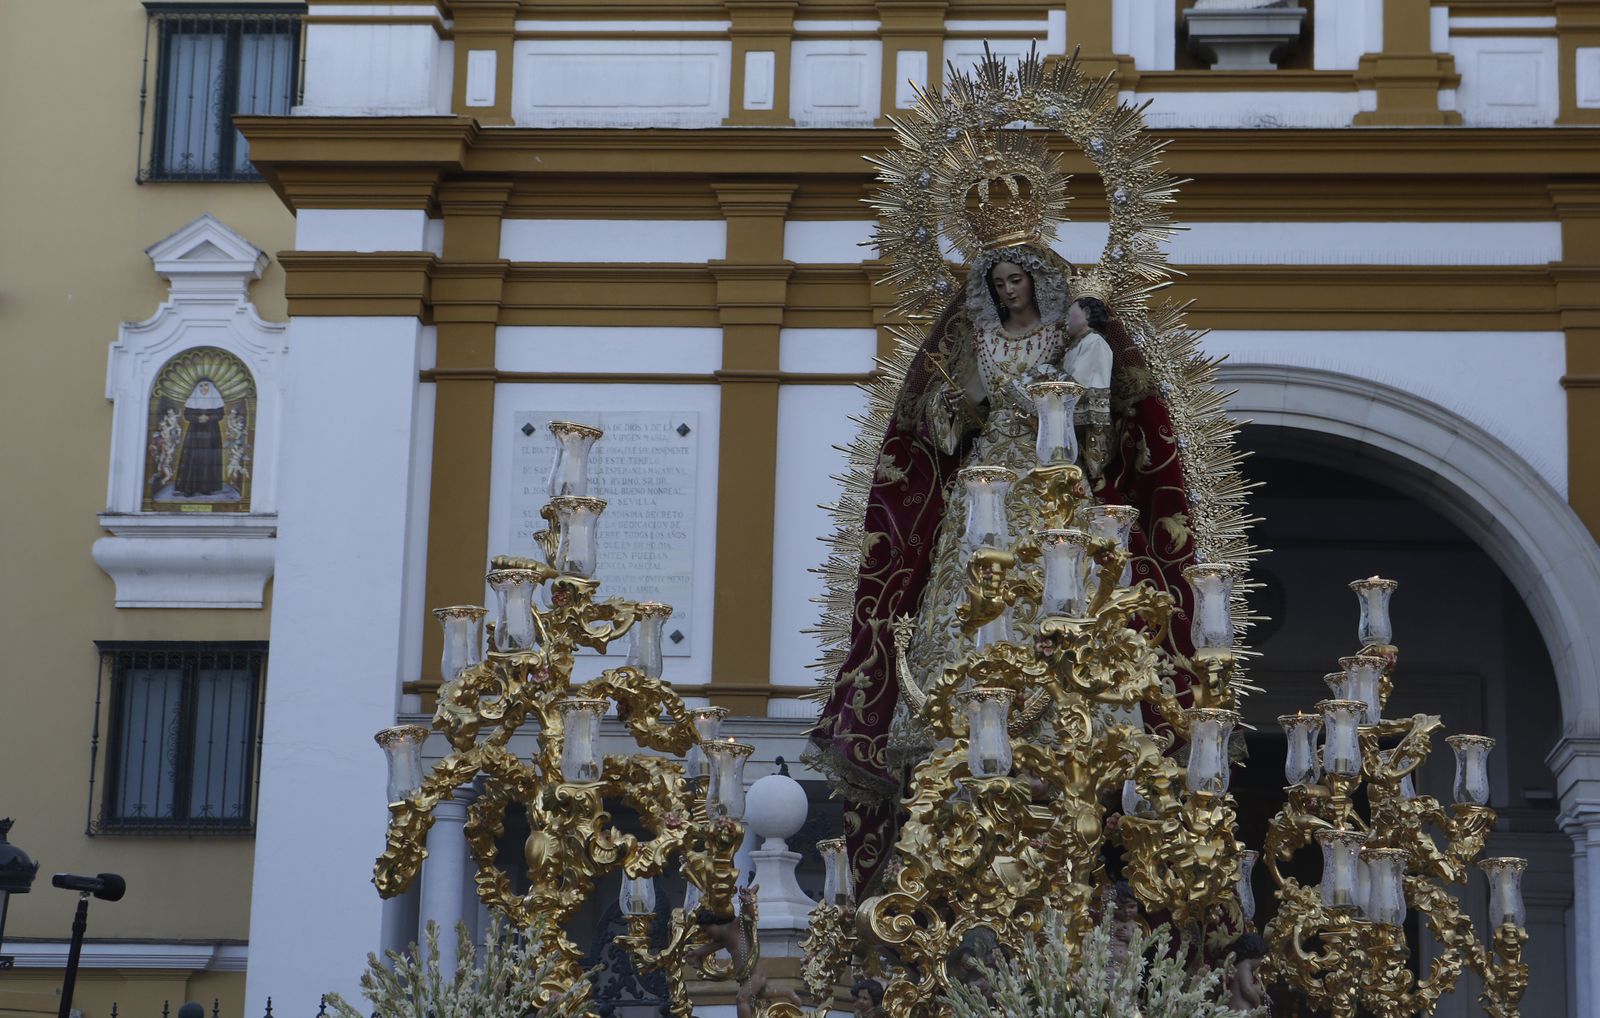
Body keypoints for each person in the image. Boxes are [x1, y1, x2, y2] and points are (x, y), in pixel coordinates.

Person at [807, 235, 1205, 894]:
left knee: (1062, 606)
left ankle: (1065, 744)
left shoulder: (1075, 343)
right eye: (1000, 283)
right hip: (982, 490)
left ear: (1041, 284)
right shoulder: (980, 343)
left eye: (1019, 280)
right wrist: (954, 407)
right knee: (975, 597)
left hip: (1053, 485)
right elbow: (940, 422)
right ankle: (965, 723)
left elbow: (1099, 428)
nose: (1009, 291)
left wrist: (1049, 397)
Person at [684, 885, 802, 1018]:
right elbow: (709, 948)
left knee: (742, 999)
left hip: (755, 974)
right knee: (763, 994)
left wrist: (747, 901)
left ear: (715, 922)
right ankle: (787, 992)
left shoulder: (735, 927)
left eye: (706, 930)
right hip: (745, 977)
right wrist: (695, 954)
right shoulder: (724, 939)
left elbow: (747, 915)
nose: (706, 935)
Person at [173, 379, 225, 497]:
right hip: (195, 433)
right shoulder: (193, 400)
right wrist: (197, 418)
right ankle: (189, 488)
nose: (204, 388)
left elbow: (220, 414)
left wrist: (209, 418)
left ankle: (206, 488)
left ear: (210, 387)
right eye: (201, 386)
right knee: (193, 458)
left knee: (208, 459)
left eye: (206, 385)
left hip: (212, 434)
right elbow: (187, 414)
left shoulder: (216, 400)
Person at [1225, 932, 1271, 1013]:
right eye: (1262, 958)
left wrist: (1262, 994)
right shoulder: (1244, 968)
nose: (1262, 962)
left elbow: (1251, 987)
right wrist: (1257, 1003)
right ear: (1256, 955)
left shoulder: (1242, 967)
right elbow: (1247, 990)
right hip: (1238, 1010)